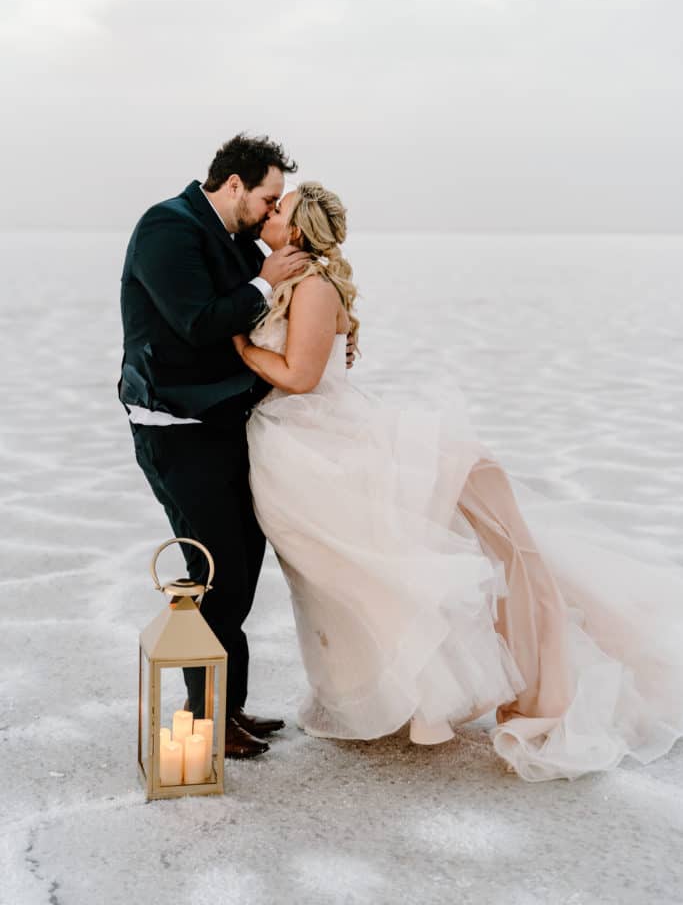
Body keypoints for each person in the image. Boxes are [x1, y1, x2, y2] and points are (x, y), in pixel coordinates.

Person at [232, 181, 683, 781]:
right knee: (351, 576)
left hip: (320, 437)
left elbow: (302, 376)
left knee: (381, 569)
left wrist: (237, 344)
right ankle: (388, 697)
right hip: (298, 441)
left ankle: (423, 698)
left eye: (280, 209)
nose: (270, 213)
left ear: (300, 229)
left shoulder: (312, 286)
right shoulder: (289, 279)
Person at [119, 135, 324, 757]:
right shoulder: (167, 227)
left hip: (227, 423)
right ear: (233, 185)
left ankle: (227, 707)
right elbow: (198, 320)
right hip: (175, 427)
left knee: (241, 566)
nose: (270, 213)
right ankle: (204, 719)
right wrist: (263, 284)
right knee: (213, 572)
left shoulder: (235, 236)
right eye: (266, 199)